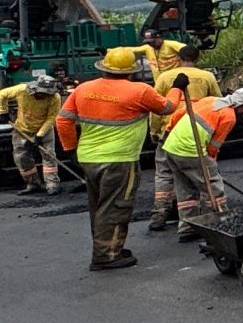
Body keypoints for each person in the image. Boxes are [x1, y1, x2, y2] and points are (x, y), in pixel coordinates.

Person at [56, 47, 174, 271]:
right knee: (116, 207)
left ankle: (108, 247)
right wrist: (177, 88)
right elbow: (168, 107)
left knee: (99, 206)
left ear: (105, 67)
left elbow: (63, 121)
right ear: (130, 71)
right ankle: (106, 256)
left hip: (88, 158)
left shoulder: (83, 89)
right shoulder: (139, 91)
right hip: (120, 159)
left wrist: (70, 150)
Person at [158, 83, 243, 239]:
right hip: (190, 150)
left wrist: (168, 133)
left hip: (171, 146)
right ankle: (222, 224)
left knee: (185, 188)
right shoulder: (229, 116)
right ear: (240, 104)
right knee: (213, 188)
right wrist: (212, 167)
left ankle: (187, 227)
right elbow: (213, 147)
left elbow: (179, 114)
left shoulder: (210, 100)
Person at [145, 40, 222, 232]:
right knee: (201, 174)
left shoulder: (165, 77)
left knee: (164, 174)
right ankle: (211, 214)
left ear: (179, 59)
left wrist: (154, 131)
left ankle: (160, 213)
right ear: (197, 58)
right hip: (195, 131)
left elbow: (156, 108)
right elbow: (219, 103)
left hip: (169, 131)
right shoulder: (207, 77)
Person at [0, 70, 66, 195]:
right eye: (41, 93)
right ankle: (32, 184)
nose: (43, 96)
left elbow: (51, 118)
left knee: (49, 156)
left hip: (44, 129)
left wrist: (39, 136)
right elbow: (2, 94)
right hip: (22, 129)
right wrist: (3, 111)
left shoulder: (55, 97)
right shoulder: (22, 90)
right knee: (22, 157)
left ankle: (52, 184)